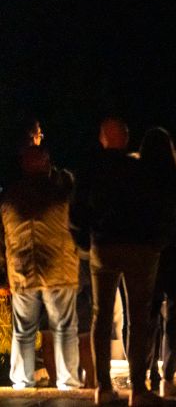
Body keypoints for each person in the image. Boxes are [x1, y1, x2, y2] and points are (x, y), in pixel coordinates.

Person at [71, 117, 165, 406]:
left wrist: (86, 243)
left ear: (102, 138)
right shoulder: (140, 169)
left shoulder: (90, 171)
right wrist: (154, 242)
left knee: (101, 316)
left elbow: (76, 212)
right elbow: (155, 207)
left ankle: (104, 386)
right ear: (126, 137)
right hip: (139, 248)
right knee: (138, 318)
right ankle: (138, 387)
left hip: (103, 246)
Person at [0, 146, 82, 391]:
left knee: (24, 330)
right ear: (46, 164)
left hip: (22, 270)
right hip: (60, 269)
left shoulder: (11, 196)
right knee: (65, 328)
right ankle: (68, 381)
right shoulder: (60, 192)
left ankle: (22, 381)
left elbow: (2, 237)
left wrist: (3, 273)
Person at [141, 128, 176, 397]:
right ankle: (169, 376)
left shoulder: (136, 180)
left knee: (147, 316)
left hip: (149, 253)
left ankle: (146, 371)